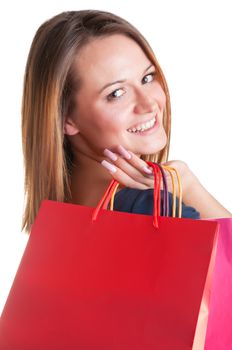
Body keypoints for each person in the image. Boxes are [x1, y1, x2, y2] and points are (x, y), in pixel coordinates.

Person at [21, 10, 232, 234]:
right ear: (66, 119)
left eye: (147, 78)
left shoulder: (55, 213)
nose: (149, 104)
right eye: (117, 93)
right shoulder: (153, 209)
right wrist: (188, 185)